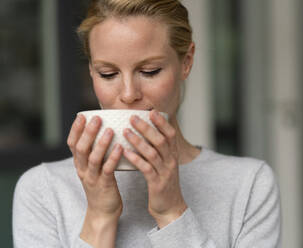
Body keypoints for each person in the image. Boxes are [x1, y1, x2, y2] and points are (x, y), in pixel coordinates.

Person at [12, 0, 281, 247]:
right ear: (92, 72)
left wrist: (172, 212)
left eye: (149, 71)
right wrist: (100, 218)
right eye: (108, 73)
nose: (129, 94)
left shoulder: (249, 184)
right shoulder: (43, 189)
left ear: (186, 62)